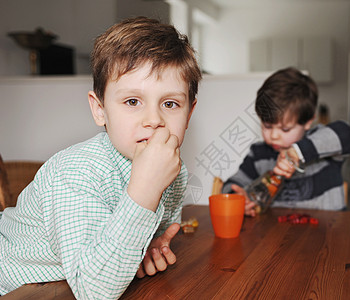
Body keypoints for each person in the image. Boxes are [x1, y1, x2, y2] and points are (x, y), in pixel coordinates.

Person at [0, 17, 202, 299]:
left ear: (188, 114)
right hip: (13, 285)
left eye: (170, 104)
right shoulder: (76, 172)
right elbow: (93, 291)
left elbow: (142, 240)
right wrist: (145, 189)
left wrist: (148, 248)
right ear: (100, 110)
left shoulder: (174, 171)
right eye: (133, 101)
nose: (154, 120)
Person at [222, 67, 350, 216]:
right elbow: (232, 184)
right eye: (267, 126)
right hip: (278, 235)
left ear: (308, 122)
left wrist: (298, 152)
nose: (273, 136)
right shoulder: (259, 154)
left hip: (328, 234)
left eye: (285, 129)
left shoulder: (321, 144)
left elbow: (345, 134)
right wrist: (238, 199)